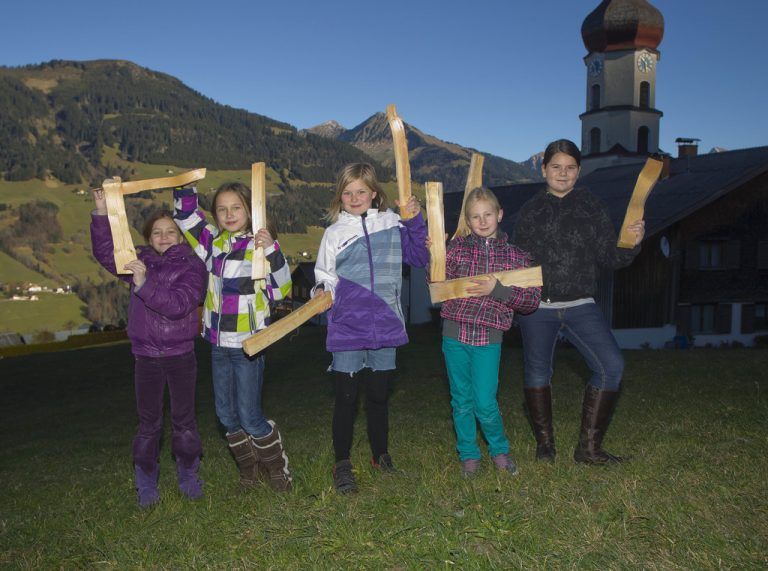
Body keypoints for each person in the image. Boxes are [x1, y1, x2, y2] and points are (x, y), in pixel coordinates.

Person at [513, 139, 645, 464]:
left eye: (570, 167)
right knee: (537, 373)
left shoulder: (592, 206)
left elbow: (609, 255)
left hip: (581, 303)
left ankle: (589, 449)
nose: (563, 173)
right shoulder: (529, 212)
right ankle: (545, 445)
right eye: (556, 167)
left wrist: (632, 243)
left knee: (611, 365)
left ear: (579, 171)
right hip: (537, 306)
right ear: (543, 169)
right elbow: (514, 263)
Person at [312, 163, 428, 493]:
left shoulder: (392, 223)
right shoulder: (334, 233)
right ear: (340, 197)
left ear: (374, 193)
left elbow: (419, 256)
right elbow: (324, 276)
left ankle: (381, 456)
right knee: (346, 398)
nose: (354, 197)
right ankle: (342, 463)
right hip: (347, 327)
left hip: (387, 324)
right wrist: (322, 292)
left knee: (378, 396)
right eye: (347, 192)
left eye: (361, 191)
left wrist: (414, 220)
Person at [90, 189, 207, 508]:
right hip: (145, 358)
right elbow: (105, 252)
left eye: (171, 231)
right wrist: (101, 212)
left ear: (181, 237)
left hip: (181, 356)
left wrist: (144, 285)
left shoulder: (193, 266)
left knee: (184, 421)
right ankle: (146, 484)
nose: (165, 236)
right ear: (148, 237)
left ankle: (188, 476)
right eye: (157, 232)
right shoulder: (138, 260)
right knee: (148, 424)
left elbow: (180, 305)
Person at [174, 182, 293, 491]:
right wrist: (185, 188)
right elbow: (187, 219)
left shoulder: (259, 247)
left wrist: (271, 249)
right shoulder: (213, 243)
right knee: (226, 415)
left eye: (236, 208)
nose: (229, 214)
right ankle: (249, 471)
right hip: (217, 344)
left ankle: (277, 468)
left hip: (248, 346)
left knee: (250, 416)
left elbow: (282, 290)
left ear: (250, 211)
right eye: (222, 209)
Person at [440, 187, 541, 477]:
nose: (482, 221)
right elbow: (436, 283)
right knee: (461, 400)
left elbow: (531, 301)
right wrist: (432, 253)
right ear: (468, 221)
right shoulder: (457, 249)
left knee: (484, 402)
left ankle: (499, 450)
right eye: (475, 217)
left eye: (487, 214)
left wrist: (496, 289)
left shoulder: (516, 257)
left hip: (488, 339)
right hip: (454, 333)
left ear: (499, 214)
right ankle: (469, 456)